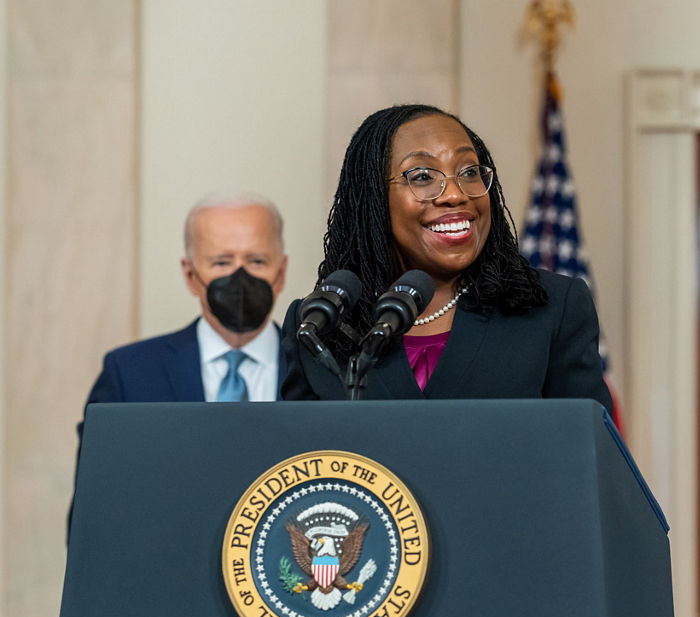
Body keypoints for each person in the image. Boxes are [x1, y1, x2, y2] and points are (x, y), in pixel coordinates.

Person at [280, 104, 612, 414]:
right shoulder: (319, 324)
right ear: (373, 198)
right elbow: (296, 465)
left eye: (469, 172)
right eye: (423, 176)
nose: (455, 194)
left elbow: (591, 458)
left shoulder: (552, 309)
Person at [82, 191, 289, 408]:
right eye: (221, 263)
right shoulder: (129, 372)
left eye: (256, 261)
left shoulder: (318, 370)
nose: (239, 276)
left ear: (281, 272)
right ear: (190, 275)